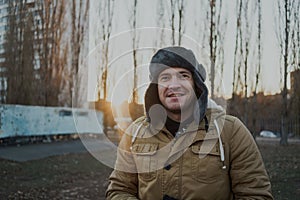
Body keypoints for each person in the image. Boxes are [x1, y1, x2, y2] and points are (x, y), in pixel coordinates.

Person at [106, 46, 273, 200]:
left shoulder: (230, 130)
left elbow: (256, 194)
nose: (174, 85)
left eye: (183, 76)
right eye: (165, 77)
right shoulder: (135, 133)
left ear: (196, 84)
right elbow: (119, 190)